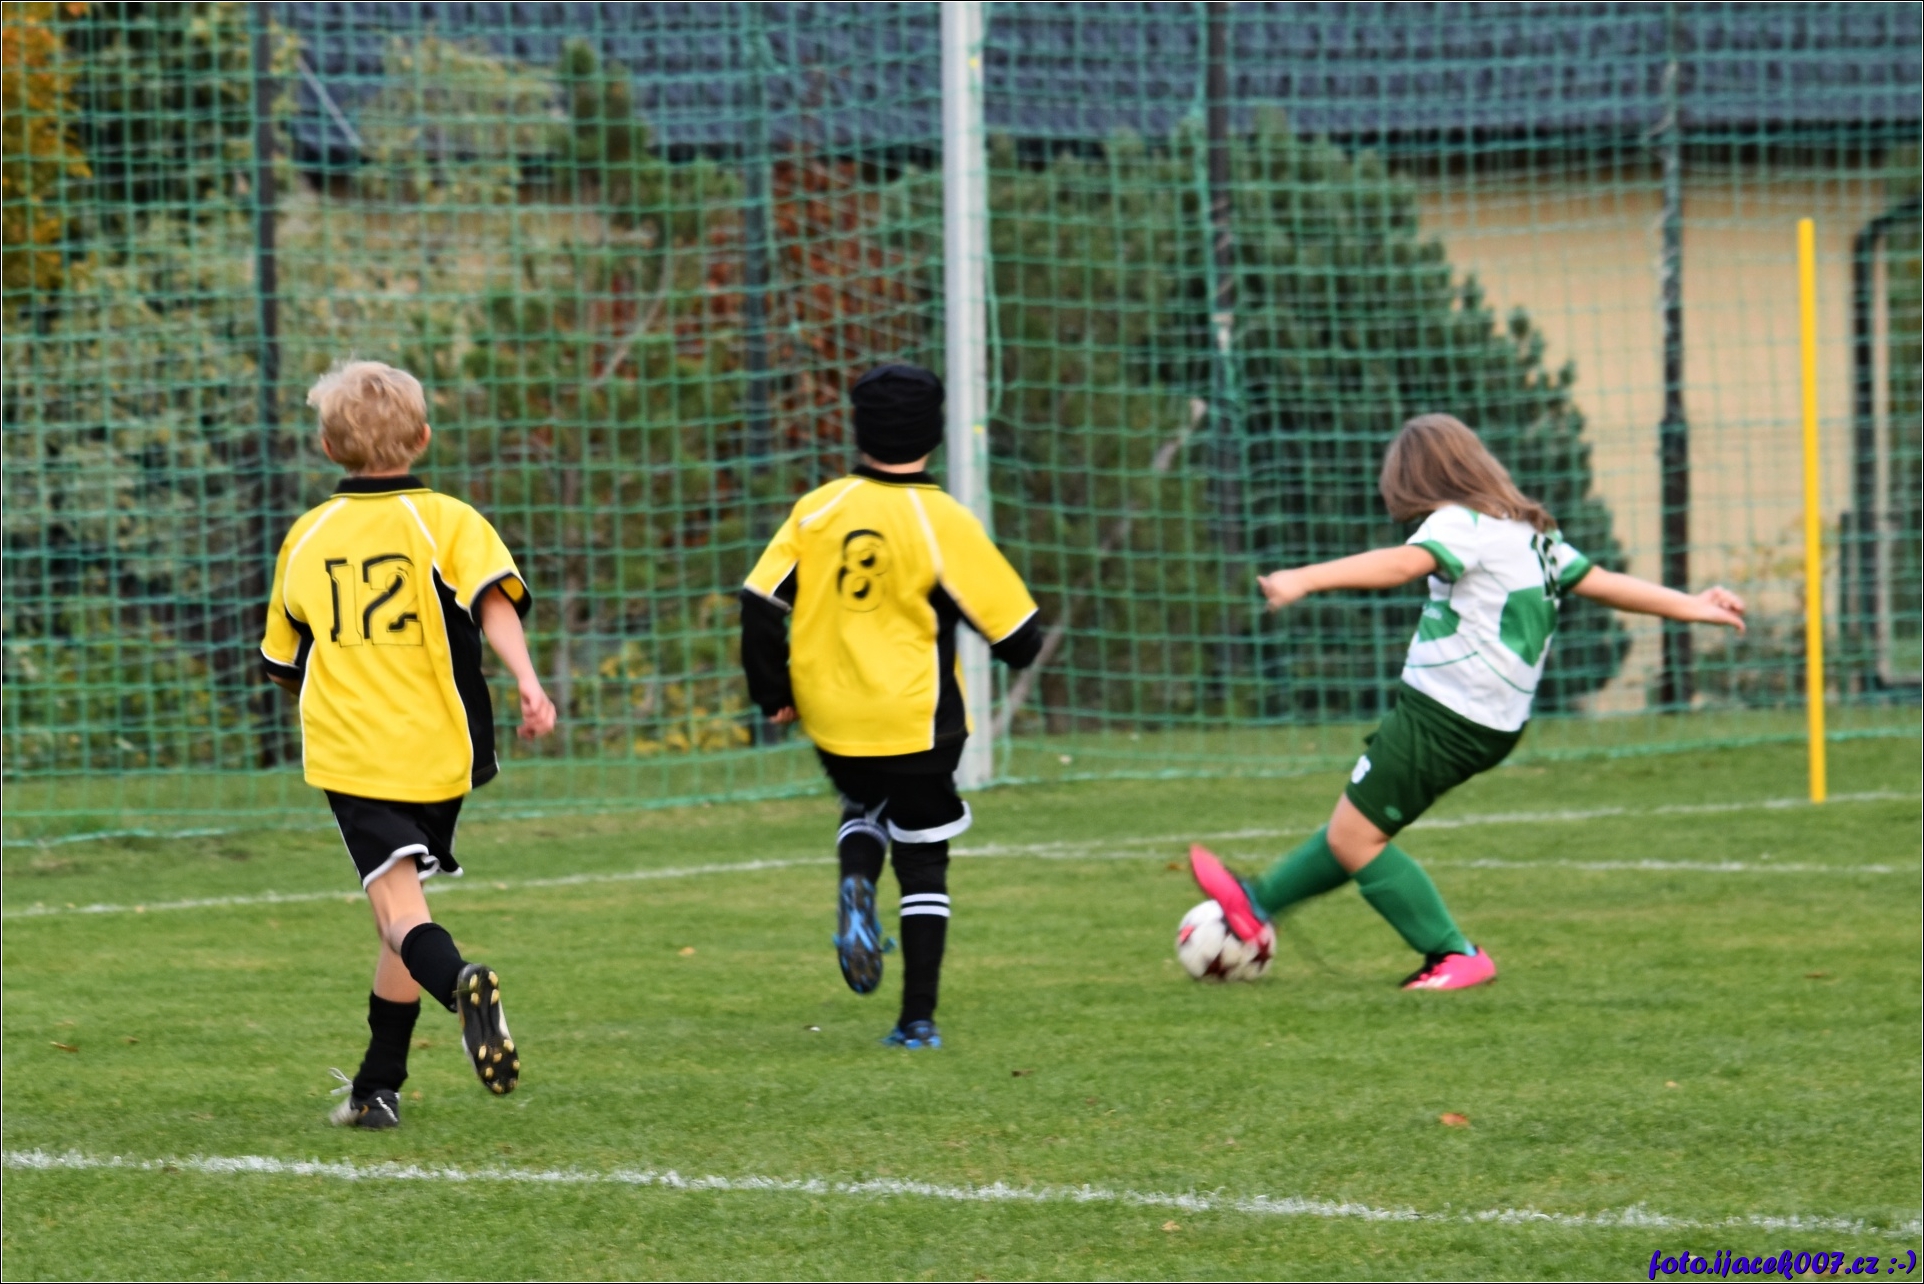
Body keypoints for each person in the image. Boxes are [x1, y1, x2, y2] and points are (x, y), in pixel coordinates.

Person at [1191, 413, 1746, 990]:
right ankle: (1255, 904)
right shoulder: (1531, 534)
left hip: (1446, 714)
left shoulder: (1460, 523)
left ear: (1418, 478)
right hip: (1490, 722)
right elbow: (1604, 582)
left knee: (1354, 838)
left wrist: (1306, 578)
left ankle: (1453, 952)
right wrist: (1692, 604)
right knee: (1356, 823)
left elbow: (1403, 563)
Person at [260, 360, 558, 1127]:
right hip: (441, 751)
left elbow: (283, 662)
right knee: (399, 911)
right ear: (422, 438)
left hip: (357, 755)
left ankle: (459, 981)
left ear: (328, 447)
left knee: (401, 916)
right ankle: (376, 1088)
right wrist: (529, 682)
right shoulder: (451, 521)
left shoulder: (308, 535)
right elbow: (494, 604)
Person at [740, 364, 1042, 1047]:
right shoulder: (943, 521)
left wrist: (773, 692)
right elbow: (1020, 639)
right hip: (915, 720)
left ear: (860, 431)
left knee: (864, 801)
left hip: (834, 718)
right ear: (934, 433)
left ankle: (856, 880)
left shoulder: (818, 509)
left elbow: (758, 602)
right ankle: (915, 1022)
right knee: (923, 856)